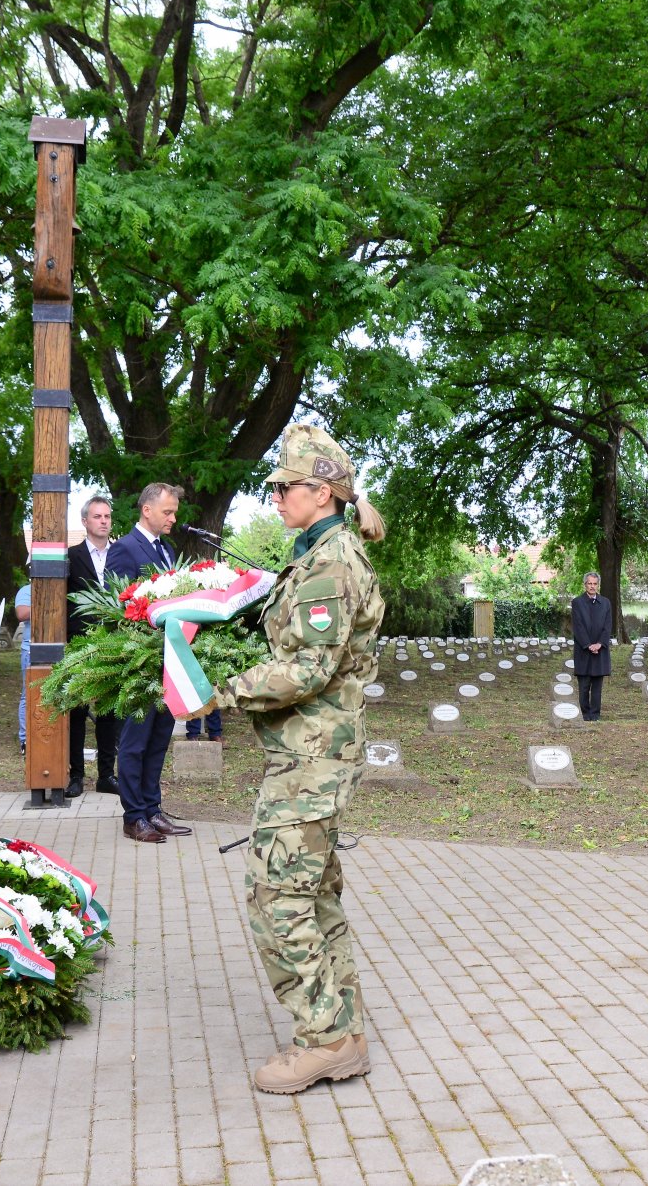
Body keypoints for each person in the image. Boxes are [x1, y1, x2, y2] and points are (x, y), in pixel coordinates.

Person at [205, 424, 386, 1094]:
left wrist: (221, 693)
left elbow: (308, 668)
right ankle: (345, 1028)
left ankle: (324, 1039)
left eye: (286, 486)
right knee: (314, 894)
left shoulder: (332, 562)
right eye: (276, 485)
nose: (275, 496)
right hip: (309, 755)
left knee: (276, 898)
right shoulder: (317, 554)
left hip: (313, 760)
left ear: (324, 491)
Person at [105, 482, 188, 842]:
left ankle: (153, 809)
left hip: (167, 659)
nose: (173, 518)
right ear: (147, 510)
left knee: (158, 739)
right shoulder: (125, 549)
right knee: (135, 742)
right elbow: (115, 608)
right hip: (139, 661)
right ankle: (133, 815)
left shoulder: (167, 549)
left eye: (174, 512)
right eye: (167, 512)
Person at [66, 494, 121, 794]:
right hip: (79, 642)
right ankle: (76, 776)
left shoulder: (119, 555)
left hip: (112, 642)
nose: (103, 521)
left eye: (107, 517)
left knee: (109, 713)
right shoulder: (71, 556)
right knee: (76, 711)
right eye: (97, 516)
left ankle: (106, 775)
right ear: (85, 521)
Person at [570, 571, 614, 720]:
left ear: (598, 585)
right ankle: (584, 714)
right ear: (585, 584)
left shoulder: (606, 603)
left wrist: (600, 644)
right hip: (584, 650)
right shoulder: (577, 602)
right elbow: (578, 626)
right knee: (584, 685)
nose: (592, 586)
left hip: (600, 650)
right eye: (589, 583)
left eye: (595, 584)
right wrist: (588, 645)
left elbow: (607, 627)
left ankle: (595, 715)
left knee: (597, 686)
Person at [15, 580, 32, 753]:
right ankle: (25, 739)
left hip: (57, 648)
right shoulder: (27, 590)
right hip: (31, 650)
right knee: (28, 694)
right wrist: (47, 600)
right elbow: (22, 613)